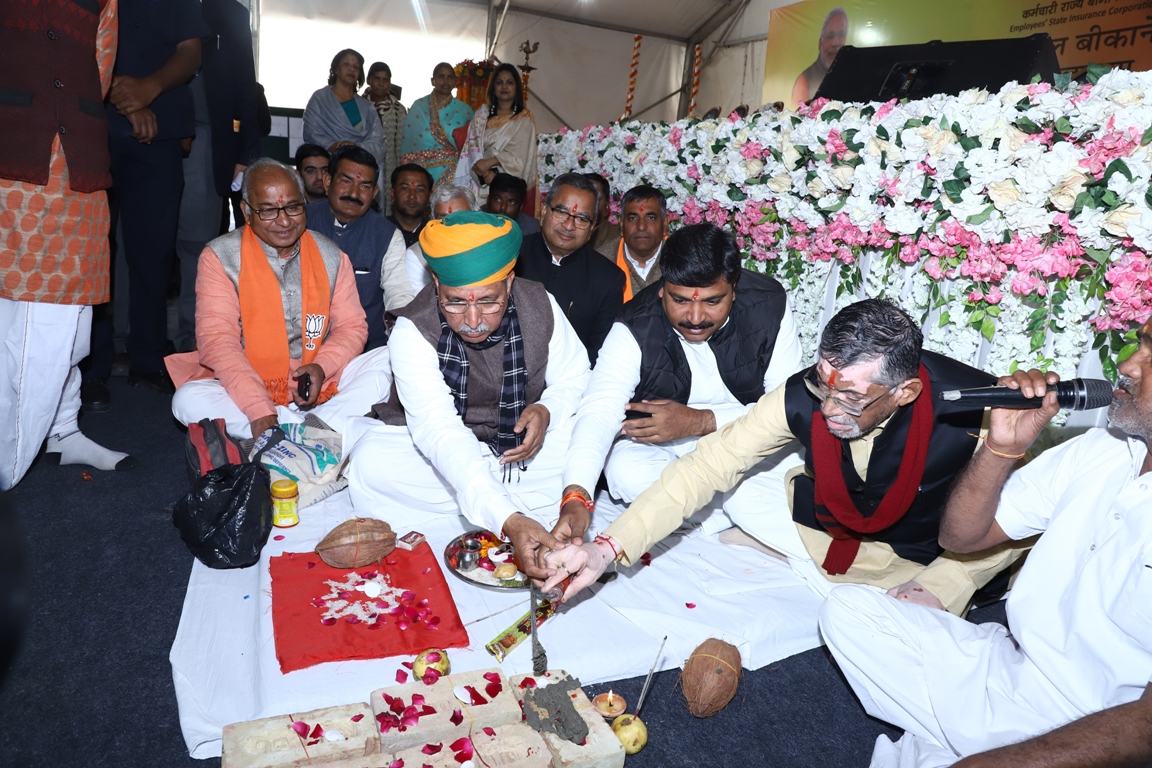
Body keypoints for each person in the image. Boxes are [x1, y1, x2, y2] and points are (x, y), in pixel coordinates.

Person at [545, 299, 1024, 618]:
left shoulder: (978, 410)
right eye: (822, 386)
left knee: (896, 630)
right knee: (731, 487)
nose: (829, 410)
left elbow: (1023, 512)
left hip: (920, 554)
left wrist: (945, 584)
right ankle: (797, 554)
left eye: (851, 398)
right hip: (829, 528)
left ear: (907, 391)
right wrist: (605, 549)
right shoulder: (806, 392)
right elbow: (708, 465)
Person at [819, 326, 1152, 767]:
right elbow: (960, 537)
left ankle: (966, 742)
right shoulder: (1102, 449)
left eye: (1151, 356)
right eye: (1141, 345)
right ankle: (973, 737)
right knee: (847, 610)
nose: (1128, 365)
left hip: (1098, 722)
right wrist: (1000, 448)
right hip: (1008, 664)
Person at [345, 211, 591, 577]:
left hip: (518, 445)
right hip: (446, 446)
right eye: (456, 302)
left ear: (509, 281)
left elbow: (576, 377)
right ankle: (494, 497)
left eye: (489, 301)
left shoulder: (541, 305)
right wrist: (507, 518)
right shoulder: (413, 329)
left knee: (585, 437)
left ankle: (477, 494)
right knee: (372, 463)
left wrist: (547, 409)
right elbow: (438, 430)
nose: (473, 320)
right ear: (435, 283)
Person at [562, 223, 801, 529]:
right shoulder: (634, 325)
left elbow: (786, 409)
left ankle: (705, 512)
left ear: (734, 288)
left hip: (744, 432)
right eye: (681, 300)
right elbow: (599, 410)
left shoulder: (768, 304)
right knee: (624, 471)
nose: (696, 317)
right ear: (663, 288)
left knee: (797, 454)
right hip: (663, 446)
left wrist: (700, 421)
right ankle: (736, 513)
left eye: (712, 301)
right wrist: (577, 496)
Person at [0, 0, 133, 488]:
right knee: (26, 321)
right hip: (15, 160)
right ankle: (8, 461)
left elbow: (99, 65)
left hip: (79, 162)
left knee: (72, 320)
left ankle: (62, 429)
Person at [166, 159, 388, 440]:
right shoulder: (220, 257)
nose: (284, 222)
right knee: (187, 399)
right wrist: (258, 407)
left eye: (293, 207)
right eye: (269, 211)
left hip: (319, 382)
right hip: (245, 384)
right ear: (246, 211)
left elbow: (352, 328)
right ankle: (317, 432)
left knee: (389, 360)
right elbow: (218, 341)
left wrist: (322, 367)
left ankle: (288, 435)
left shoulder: (331, 255)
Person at [89, 0, 211, 395]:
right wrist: (125, 101)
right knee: (93, 250)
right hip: (93, 126)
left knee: (154, 252)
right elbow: (76, 45)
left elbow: (190, 51)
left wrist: (148, 89)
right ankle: (91, 365)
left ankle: (148, 356)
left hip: (160, 131)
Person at [172, 0, 262, 355]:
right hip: (146, 131)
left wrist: (246, 152)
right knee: (140, 243)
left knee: (197, 245)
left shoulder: (233, 13)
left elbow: (246, 87)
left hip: (207, 136)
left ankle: (193, 342)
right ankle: (129, 342)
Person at [305, 145, 410, 350]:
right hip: (302, 346)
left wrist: (404, 335)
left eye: (365, 186)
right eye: (346, 181)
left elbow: (399, 294)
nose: (354, 193)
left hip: (366, 351)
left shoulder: (387, 235)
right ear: (327, 182)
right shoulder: (298, 222)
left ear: (375, 193)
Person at [516, 173, 626, 364]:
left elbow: (599, 353)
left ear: (592, 228)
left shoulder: (608, 279)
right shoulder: (512, 256)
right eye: (561, 212)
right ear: (544, 211)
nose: (568, 225)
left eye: (581, 219)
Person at [454, 63, 537, 212]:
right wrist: (485, 173)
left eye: (509, 82)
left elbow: (521, 157)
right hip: (478, 183)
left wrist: (491, 163)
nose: (504, 86)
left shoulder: (524, 118)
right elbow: (471, 149)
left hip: (508, 190)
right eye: (499, 82)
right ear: (493, 87)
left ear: (517, 88)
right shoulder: (481, 116)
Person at [302, 49, 387, 182]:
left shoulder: (367, 107)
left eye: (356, 66)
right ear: (336, 69)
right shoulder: (320, 99)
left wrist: (356, 147)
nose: (351, 69)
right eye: (346, 64)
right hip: (328, 168)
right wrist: (336, 146)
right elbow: (311, 133)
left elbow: (378, 142)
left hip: (359, 170)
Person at [398, 62, 473, 187]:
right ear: (433, 81)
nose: (446, 80)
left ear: (455, 82)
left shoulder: (465, 111)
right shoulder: (419, 107)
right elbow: (409, 142)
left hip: (455, 174)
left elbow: (472, 146)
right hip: (421, 173)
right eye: (441, 76)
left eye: (450, 77)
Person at [402, 183, 478, 300]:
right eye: (444, 219)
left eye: (460, 218)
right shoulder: (418, 256)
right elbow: (423, 304)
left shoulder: (492, 247)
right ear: (433, 222)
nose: (452, 226)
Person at [609, 185, 668, 302]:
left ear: (664, 224)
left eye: (651, 218)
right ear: (622, 225)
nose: (641, 227)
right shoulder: (601, 262)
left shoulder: (684, 258)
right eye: (633, 218)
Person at [362, 61, 407, 215]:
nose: (381, 83)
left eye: (385, 80)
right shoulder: (359, 106)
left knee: (387, 209)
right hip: (364, 164)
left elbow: (401, 144)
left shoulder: (398, 110)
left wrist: (400, 172)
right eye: (377, 79)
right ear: (369, 80)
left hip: (390, 168)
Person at [792, 7, 848, 107]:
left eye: (841, 35)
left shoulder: (851, 75)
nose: (836, 43)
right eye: (830, 36)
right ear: (820, 43)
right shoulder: (804, 80)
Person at [387, 163, 433, 248]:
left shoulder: (436, 235)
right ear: (392, 194)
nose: (412, 196)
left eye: (420, 190)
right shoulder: (377, 230)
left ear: (429, 197)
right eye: (405, 188)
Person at [584, 173, 620, 260]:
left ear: (607, 207)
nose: (590, 203)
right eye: (584, 196)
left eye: (597, 198)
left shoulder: (617, 240)